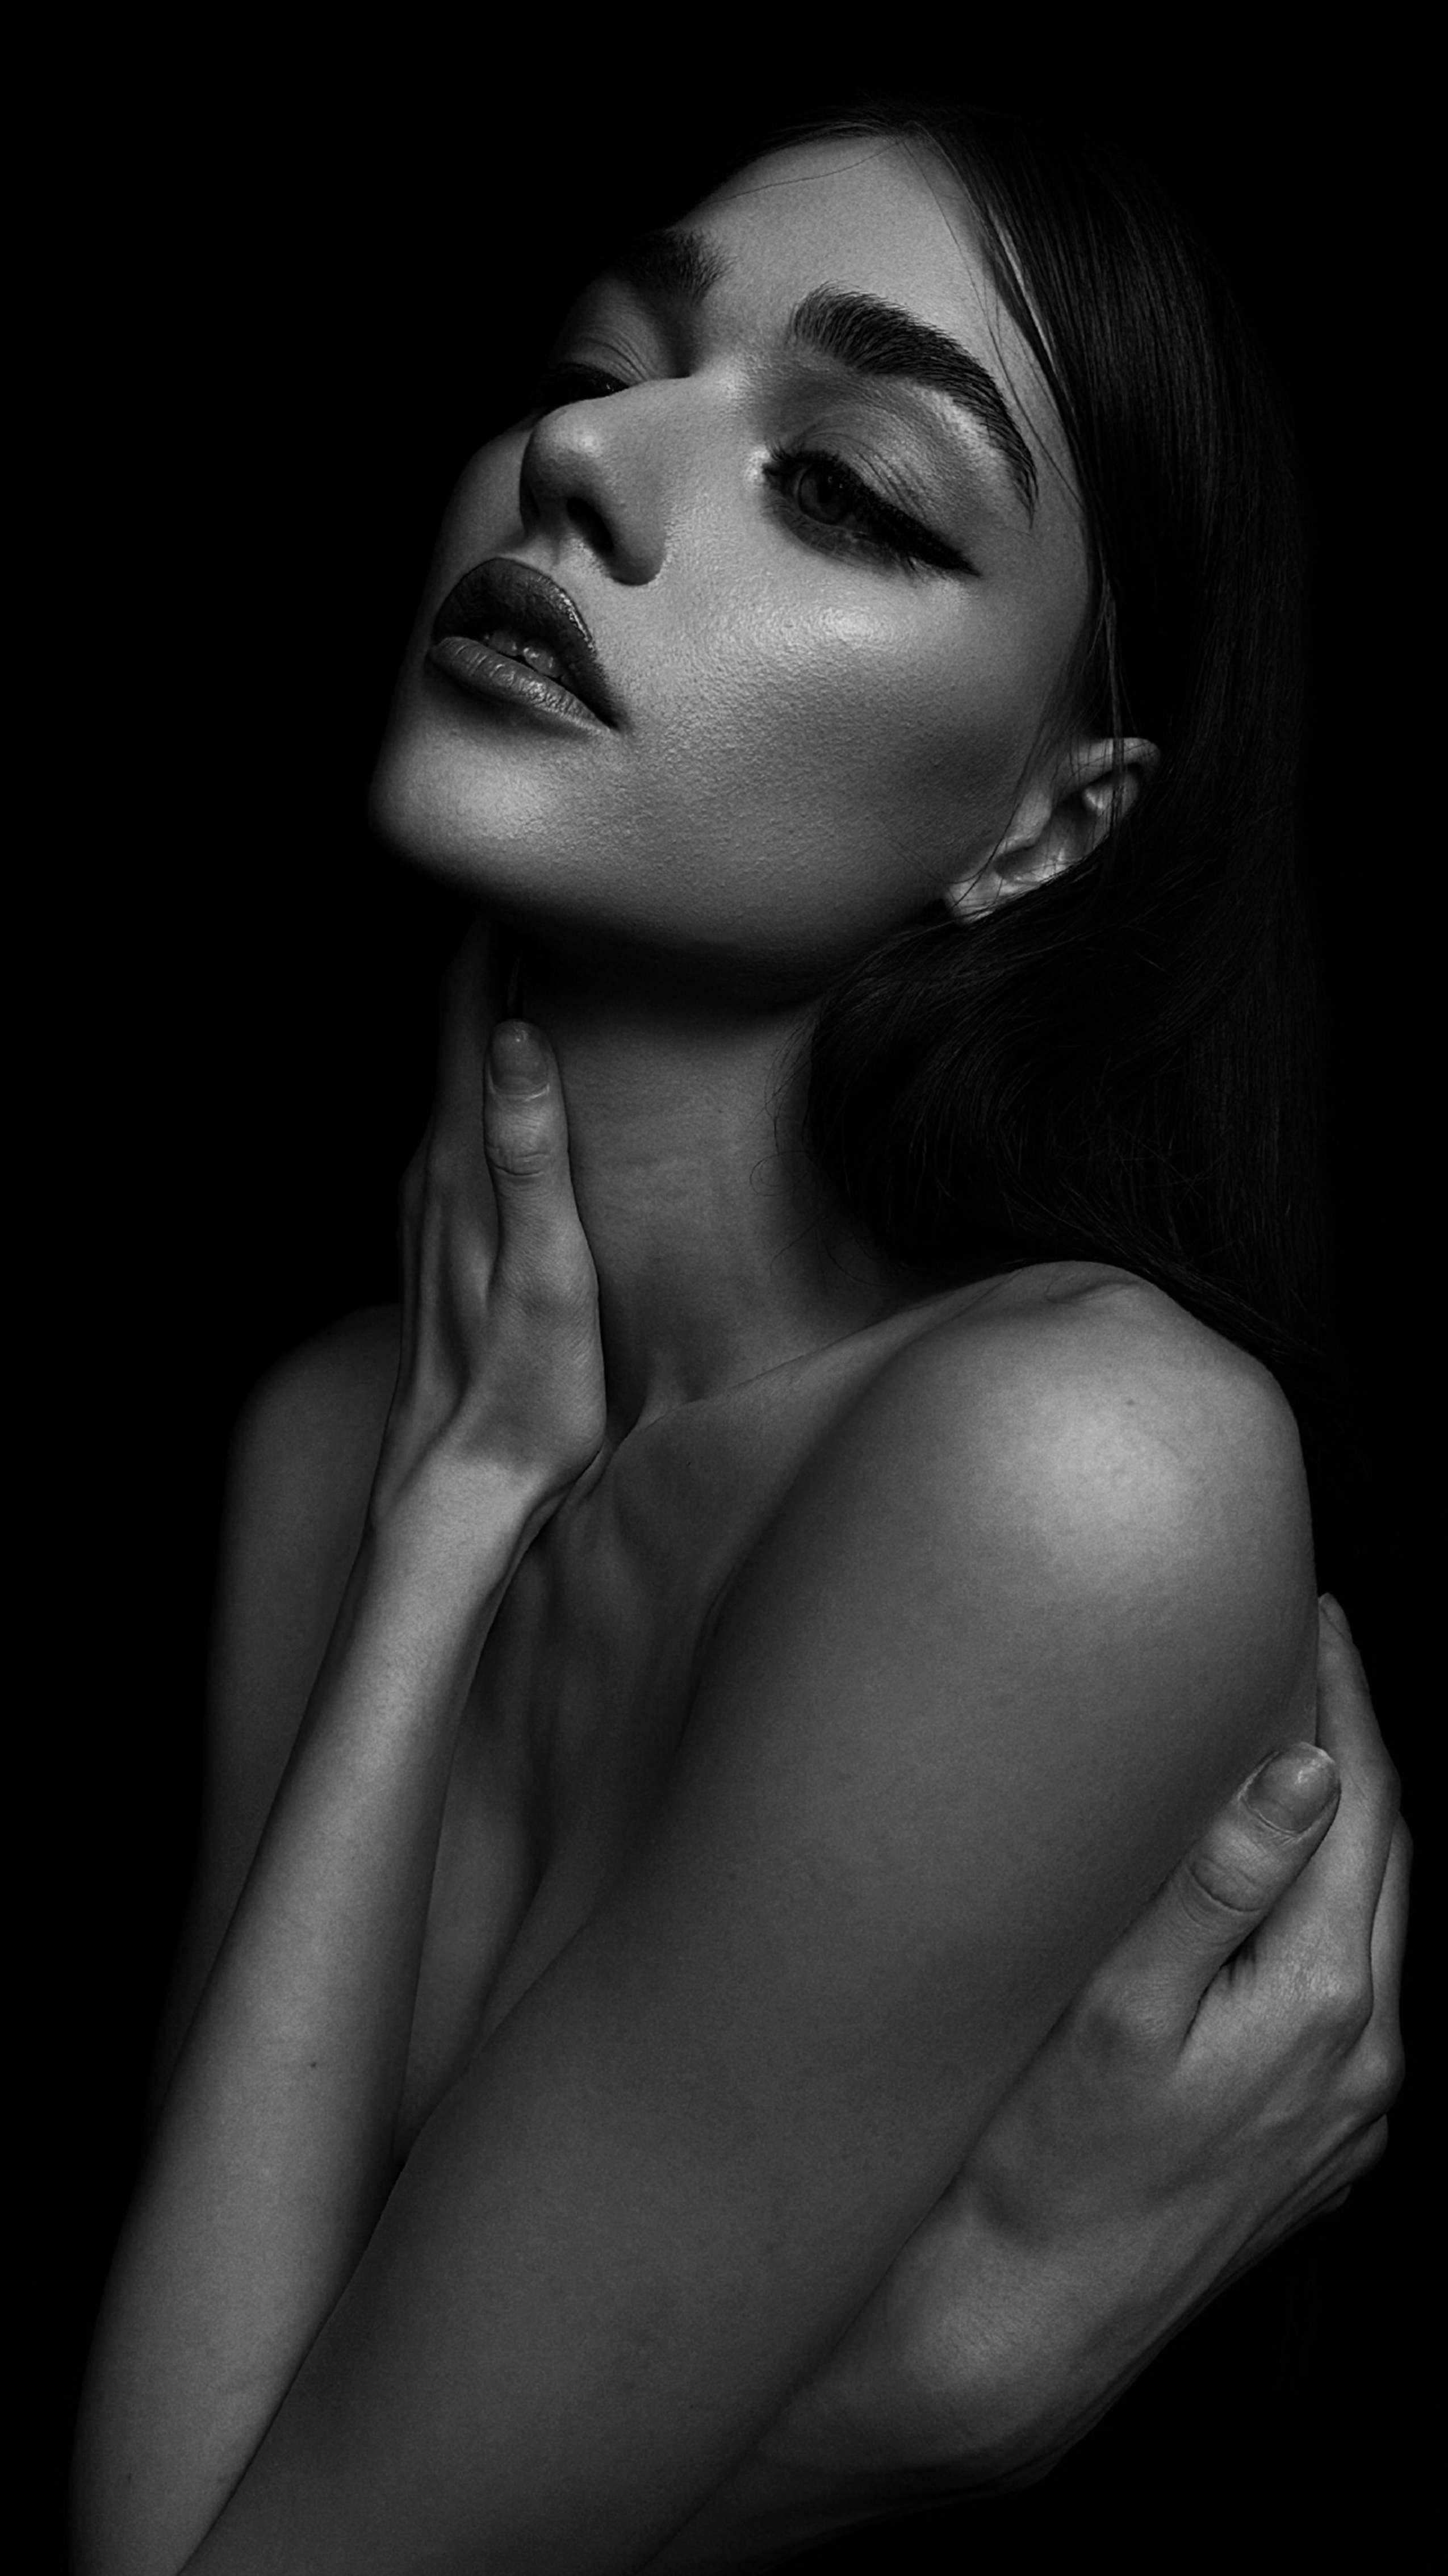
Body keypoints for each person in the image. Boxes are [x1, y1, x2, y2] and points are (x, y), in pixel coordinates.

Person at [70, 97, 1408, 2575]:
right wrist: (918, 2395)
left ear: (1047, 828)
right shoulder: (332, 1450)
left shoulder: (1077, 1470)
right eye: (601, 367)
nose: (579, 463)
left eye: (848, 488)